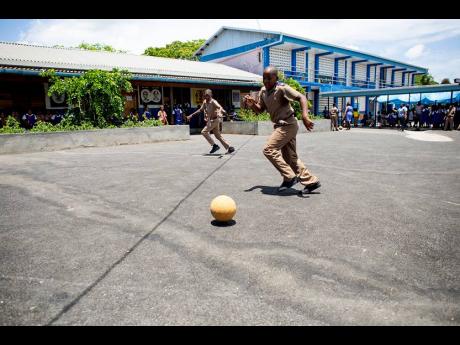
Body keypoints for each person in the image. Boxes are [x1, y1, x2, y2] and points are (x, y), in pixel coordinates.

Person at [243, 66, 321, 194]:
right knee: (290, 157)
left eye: (269, 78)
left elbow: (301, 97)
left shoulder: (282, 88)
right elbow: (260, 110)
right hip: (280, 125)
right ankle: (311, 181)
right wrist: (252, 105)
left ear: (276, 78)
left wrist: (305, 116)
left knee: (269, 149)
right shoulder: (263, 91)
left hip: (288, 124)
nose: (266, 81)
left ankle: (289, 177)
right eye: (264, 78)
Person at [186, 89, 235, 154]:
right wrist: (191, 115)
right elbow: (200, 110)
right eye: (205, 95)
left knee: (204, 132)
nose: (206, 97)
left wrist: (219, 112)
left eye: (207, 95)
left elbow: (220, 107)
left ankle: (215, 146)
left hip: (214, 120)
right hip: (212, 120)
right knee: (218, 136)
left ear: (211, 95)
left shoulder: (213, 101)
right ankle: (229, 148)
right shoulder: (205, 102)